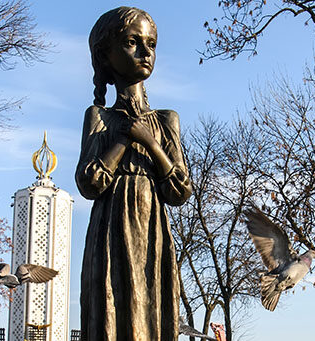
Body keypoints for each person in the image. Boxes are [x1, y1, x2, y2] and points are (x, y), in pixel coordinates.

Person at [75, 6, 192, 341]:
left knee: (151, 303)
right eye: (132, 42)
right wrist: (123, 139)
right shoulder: (99, 117)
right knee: (113, 305)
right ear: (106, 55)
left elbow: (180, 190)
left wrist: (150, 144)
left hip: (152, 230)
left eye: (151, 44)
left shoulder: (167, 120)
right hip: (110, 229)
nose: (145, 52)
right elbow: (87, 182)